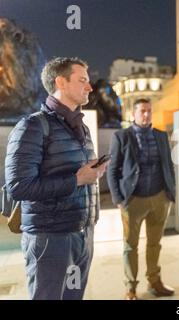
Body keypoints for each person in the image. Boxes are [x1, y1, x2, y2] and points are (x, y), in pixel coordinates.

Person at [5, 57, 107, 300]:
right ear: (61, 82)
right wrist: (77, 180)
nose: (90, 87)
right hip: (50, 238)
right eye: (82, 80)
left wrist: (93, 173)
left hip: (83, 232)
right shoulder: (32, 126)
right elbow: (18, 187)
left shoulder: (82, 127)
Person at [107, 98, 176, 300]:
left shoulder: (161, 136)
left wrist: (169, 193)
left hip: (159, 198)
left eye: (149, 111)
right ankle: (131, 287)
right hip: (133, 200)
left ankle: (154, 282)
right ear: (134, 114)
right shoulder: (122, 136)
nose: (146, 115)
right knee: (130, 246)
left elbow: (168, 167)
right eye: (142, 111)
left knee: (155, 243)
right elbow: (112, 170)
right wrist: (119, 199)